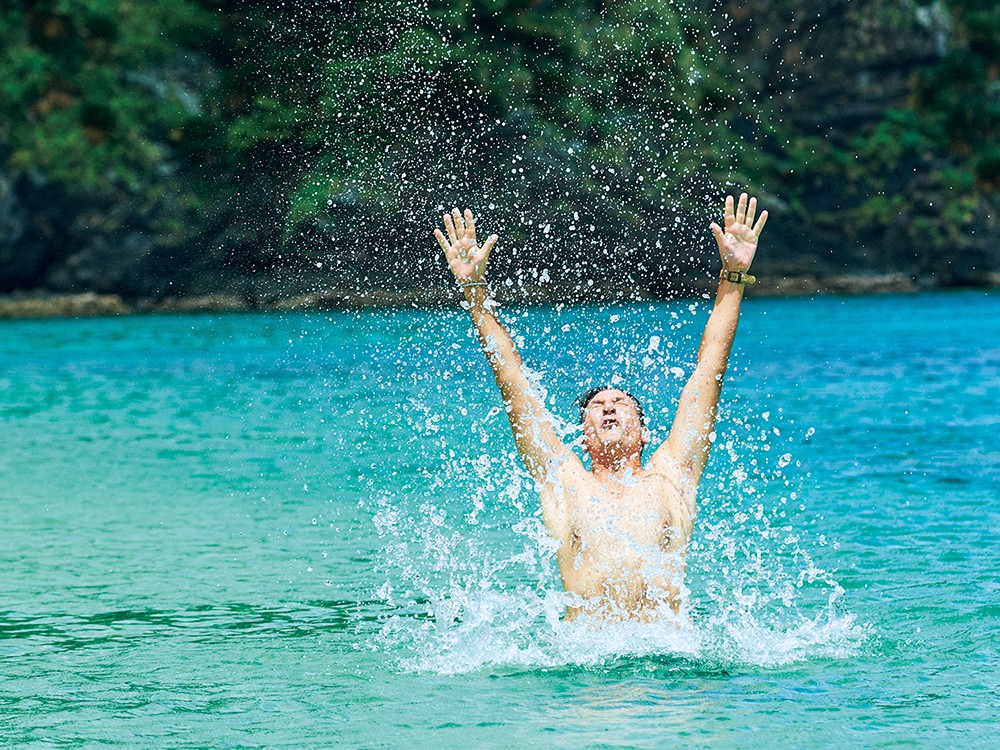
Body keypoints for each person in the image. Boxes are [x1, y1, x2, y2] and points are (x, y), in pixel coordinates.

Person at [433, 194, 768, 622]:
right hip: (586, 670)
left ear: (646, 432)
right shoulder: (565, 481)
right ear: (584, 437)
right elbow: (513, 384)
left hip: (669, 671)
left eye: (621, 404)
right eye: (597, 407)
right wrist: (474, 291)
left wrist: (734, 274)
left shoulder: (672, 476)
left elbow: (710, 368)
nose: (608, 407)